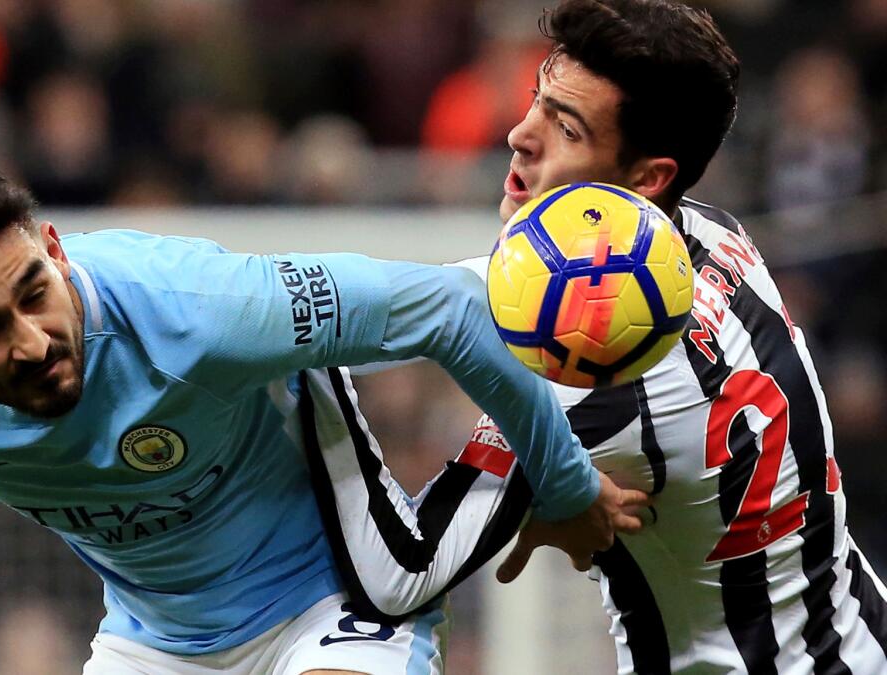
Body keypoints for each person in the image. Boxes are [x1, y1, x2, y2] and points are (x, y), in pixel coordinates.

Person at [0, 156, 647, 673]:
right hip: (153, 641)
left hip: (333, 601)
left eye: (36, 293)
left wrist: (564, 486)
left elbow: (449, 308)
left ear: (54, 250)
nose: (34, 339)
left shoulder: (200, 309)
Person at [313, 1, 887, 673]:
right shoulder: (708, 230)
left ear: (646, 178)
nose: (519, 136)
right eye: (536, 101)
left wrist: (305, 374)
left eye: (567, 128)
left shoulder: (594, 380)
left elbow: (400, 569)